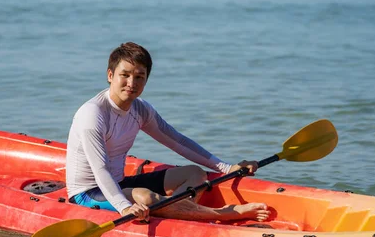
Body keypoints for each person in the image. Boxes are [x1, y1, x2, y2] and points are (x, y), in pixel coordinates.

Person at [66, 42, 270, 223]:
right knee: (144, 197)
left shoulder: (141, 109)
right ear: (110, 75)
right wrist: (125, 207)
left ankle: (177, 214)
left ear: (146, 80)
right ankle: (223, 214)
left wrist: (226, 167)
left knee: (195, 173)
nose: (132, 83)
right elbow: (100, 170)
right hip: (89, 193)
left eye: (139, 77)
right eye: (125, 75)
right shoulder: (93, 114)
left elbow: (176, 140)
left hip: (119, 183)